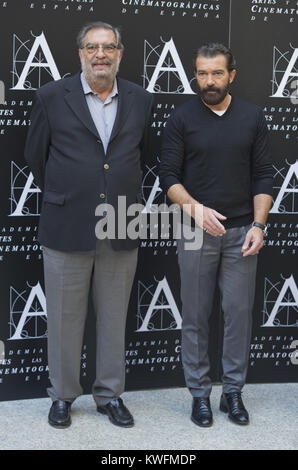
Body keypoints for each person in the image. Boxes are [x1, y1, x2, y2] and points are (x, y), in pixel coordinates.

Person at [25, 21, 153, 429]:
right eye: (92, 47)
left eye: (109, 47)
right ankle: (62, 396)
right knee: (63, 318)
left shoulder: (141, 99)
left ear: (120, 53)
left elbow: (136, 157)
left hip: (122, 224)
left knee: (115, 317)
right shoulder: (50, 97)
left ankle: (110, 395)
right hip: (67, 224)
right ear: (80, 53)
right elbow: (35, 158)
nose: (101, 54)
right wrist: (69, 195)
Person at [159, 43, 273, 427]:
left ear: (232, 76)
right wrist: (197, 210)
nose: (208, 81)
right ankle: (199, 395)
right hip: (195, 231)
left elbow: (263, 176)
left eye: (216, 73)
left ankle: (233, 393)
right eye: (202, 73)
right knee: (194, 315)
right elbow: (168, 179)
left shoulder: (253, 117)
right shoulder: (180, 119)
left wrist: (259, 225)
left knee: (239, 314)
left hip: (243, 231)